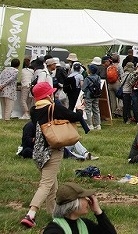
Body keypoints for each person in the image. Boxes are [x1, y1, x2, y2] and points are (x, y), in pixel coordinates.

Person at [19, 82, 88, 229]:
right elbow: (74, 117)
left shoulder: (34, 110)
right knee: (46, 184)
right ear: (48, 95)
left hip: (38, 152)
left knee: (52, 185)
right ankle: (31, 214)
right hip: (52, 150)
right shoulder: (53, 108)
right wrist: (80, 110)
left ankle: (55, 215)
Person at [41, 182, 117, 234]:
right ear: (74, 204)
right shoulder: (54, 230)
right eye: (84, 197)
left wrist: (98, 212)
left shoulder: (85, 225)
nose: (88, 200)